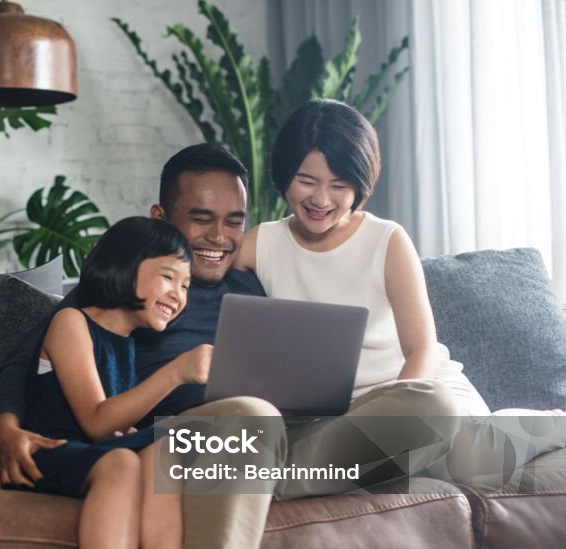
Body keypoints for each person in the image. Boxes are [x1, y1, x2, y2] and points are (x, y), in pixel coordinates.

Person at [0, 142, 454, 549]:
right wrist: (3, 426)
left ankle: (261, 473)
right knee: (250, 417)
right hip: (187, 442)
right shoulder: (137, 281)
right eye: (201, 219)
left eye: (234, 221)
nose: (218, 238)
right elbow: (26, 354)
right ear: (160, 219)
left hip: (269, 441)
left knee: (433, 407)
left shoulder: (250, 281)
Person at [236, 97, 566, 481]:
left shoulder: (386, 239)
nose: (321, 199)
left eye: (339, 185)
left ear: (359, 185)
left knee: (469, 462)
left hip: (420, 392)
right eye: (306, 181)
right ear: (283, 174)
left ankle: (557, 422)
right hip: (341, 418)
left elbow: (422, 349)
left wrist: (398, 415)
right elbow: (194, 275)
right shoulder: (262, 243)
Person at [12, 216, 210, 549]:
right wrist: (178, 372)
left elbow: (115, 425)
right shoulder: (70, 322)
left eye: (186, 285)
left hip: (89, 456)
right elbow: (97, 420)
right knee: (124, 459)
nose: (179, 294)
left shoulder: (128, 344)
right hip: (49, 454)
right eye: (168, 276)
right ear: (126, 266)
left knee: (170, 442)